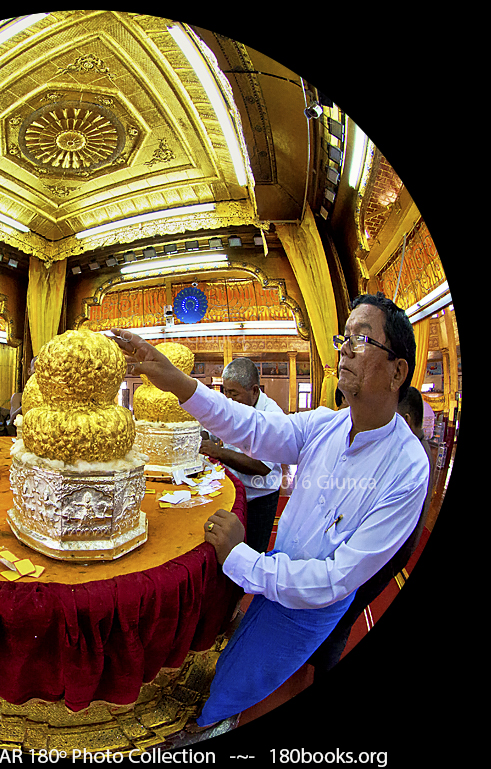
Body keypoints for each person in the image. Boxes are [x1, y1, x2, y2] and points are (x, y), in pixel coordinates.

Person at [109, 292, 429, 730]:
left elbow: (335, 580)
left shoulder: (408, 469)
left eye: (361, 339)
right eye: (343, 339)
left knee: (234, 685)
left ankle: (204, 729)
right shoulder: (328, 423)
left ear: (397, 371)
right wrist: (178, 383)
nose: (345, 352)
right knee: (235, 649)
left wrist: (241, 558)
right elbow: (254, 428)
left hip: (311, 605)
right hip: (275, 573)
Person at [307, 385, 437, 676]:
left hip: (384, 560)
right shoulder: (406, 448)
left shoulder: (413, 457)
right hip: (384, 556)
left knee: (340, 620)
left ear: (402, 419)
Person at [200, 358, 284, 553]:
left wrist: (218, 452)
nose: (228, 398)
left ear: (254, 391)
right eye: (225, 391)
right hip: (233, 491)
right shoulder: (229, 406)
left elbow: (262, 467)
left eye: (234, 393)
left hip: (259, 498)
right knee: (228, 549)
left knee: (253, 550)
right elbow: (207, 429)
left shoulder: (273, 416)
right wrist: (201, 437)